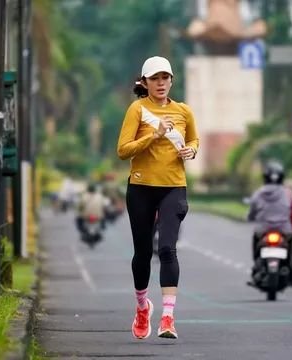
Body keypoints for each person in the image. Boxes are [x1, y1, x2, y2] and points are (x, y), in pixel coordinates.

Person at [117, 56, 199, 340]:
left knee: (167, 249)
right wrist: (154, 135)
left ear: (172, 81)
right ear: (145, 83)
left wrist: (191, 151)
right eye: (155, 78)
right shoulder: (137, 110)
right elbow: (123, 150)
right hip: (141, 188)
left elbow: (194, 140)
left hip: (173, 188)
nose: (161, 83)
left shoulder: (184, 111)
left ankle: (167, 318)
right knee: (142, 253)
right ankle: (142, 307)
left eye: (165, 78)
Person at [247, 161, 292, 262]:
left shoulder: (258, 193)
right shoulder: (287, 193)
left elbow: (252, 211)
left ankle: (256, 262)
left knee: (256, 239)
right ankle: (290, 264)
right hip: (284, 230)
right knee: (291, 246)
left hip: (263, 230)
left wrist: (250, 218)